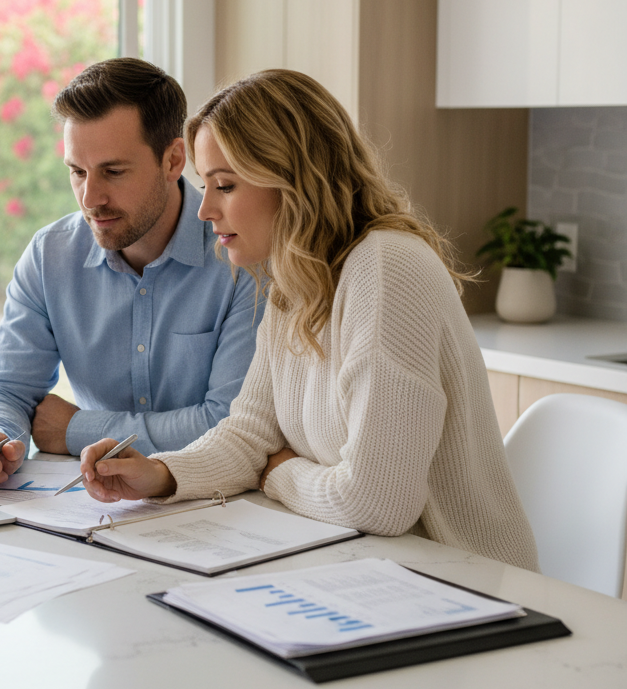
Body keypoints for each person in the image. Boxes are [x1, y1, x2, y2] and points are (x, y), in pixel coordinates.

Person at [79, 69, 539, 571]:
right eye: (205, 186)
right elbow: (250, 435)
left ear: (291, 179)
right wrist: (161, 474)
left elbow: (377, 503)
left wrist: (279, 474)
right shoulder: (295, 284)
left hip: (467, 586)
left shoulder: (385, 268)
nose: (205, 209)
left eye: (225, 185)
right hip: (375, 571)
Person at [0, 58, 263, 494]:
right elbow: (5, 387)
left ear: (173, 161)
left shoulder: (241, 255)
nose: (90, 198)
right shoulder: (49, 256)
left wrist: (76, 427)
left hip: (221, 507)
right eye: (77, 172)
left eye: (113, 172)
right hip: (97, 511)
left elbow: (230, 424)